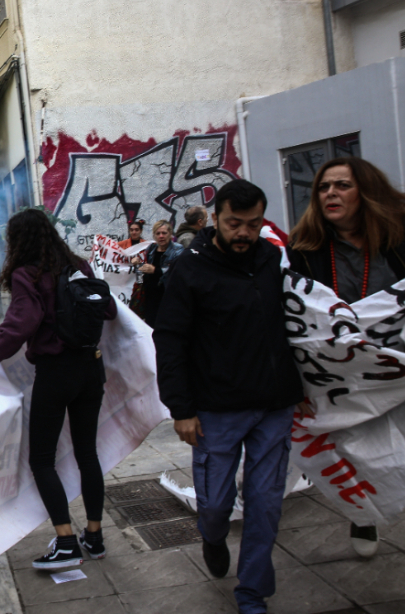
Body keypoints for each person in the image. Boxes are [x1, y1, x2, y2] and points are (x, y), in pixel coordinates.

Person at [154, 180, 304, 614]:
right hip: (215, 410)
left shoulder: (271, 258)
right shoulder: (190, 268)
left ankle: (252, 593)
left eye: (253, 224)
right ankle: (212, 536)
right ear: (215, 217)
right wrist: (180, 409)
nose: (244, 233)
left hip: (274, 404)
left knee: (265, 504)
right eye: (235, 224)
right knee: (216, 504)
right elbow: (170, 339)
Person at [0, 209, 117, 570]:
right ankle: (94, 536)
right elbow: (107, 309)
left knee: (41, 459)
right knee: (87, 453)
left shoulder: (26, 273)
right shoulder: (76, 264)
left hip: (56, 373)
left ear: (18, 241)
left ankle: (65, 542)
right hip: (91, 369)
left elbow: (19, 326)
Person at [288, 156, 405, 558]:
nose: (331, 194)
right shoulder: (303, 251)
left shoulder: (398, 241)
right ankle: (364, 513)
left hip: (397, 367)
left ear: (367, 192)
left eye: (341, 186)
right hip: (346, 374)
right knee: (357, 446)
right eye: (323, 187)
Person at [135, 220, 184, 327]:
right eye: (158, 233)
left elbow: (177, 271)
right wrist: (138, 263)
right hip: (151, 297)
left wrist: (156, 270)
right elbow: (145, 268)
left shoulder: (178, 250)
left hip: (167, 297)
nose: (161, 236)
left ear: (170, 234)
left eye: (164, 233)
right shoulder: (151, 249)